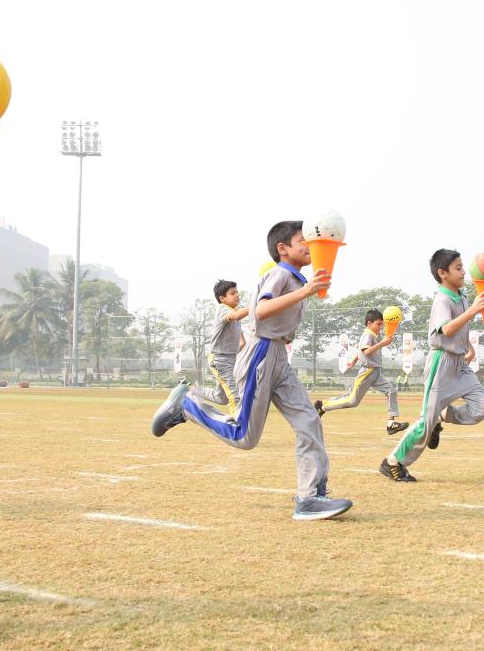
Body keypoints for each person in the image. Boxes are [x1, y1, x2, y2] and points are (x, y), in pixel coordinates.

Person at [151, 221, 352, 521]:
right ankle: (188, 405)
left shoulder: (296, 279)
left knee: (310, 420)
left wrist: (308, 290)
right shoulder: (280, 273)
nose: (310, 246)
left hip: (278, 357)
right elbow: (260, 310)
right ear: (282, 249)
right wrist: (307, 291)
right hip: (260, 354)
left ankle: (310, 497)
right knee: (245, 436)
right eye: (302, 241)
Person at [380, 249, 484, 483]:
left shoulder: (461, 297)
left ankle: (442, 416)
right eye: (459, 268)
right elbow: (447, 329)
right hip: (440, 364)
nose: (464, 272)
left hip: (459, 364)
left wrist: (468, 347)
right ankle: (393, 461)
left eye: (463, 267)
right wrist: (474, 309)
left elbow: (460, 330)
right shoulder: (442, 299)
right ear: (443, 273)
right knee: (424, 423)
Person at [314, 308, 409, 434]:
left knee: (391, 391)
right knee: (352, 400)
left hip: (375, 372)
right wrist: (382, 343)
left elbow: (361, 351)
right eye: (378, 324)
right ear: (369, 323)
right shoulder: (368, 334)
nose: (381, 327)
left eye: (382, 324)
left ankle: (391, 424)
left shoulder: (372, 335)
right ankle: (322, 405)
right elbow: (366, 351)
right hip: (367, 372)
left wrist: (353, 361)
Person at [186, 279, 249, 418]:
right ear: (222, 298)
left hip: (230, 360)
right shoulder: (223, 309)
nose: (237, 295)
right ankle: (236, 430)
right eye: (233, 293)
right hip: (220, 360)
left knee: (222, 398)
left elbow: (242, 343)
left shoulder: (234, 314)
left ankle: (190, 389)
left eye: (237, 292)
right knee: (235, 396)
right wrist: (258, 304)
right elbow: (237, 315)